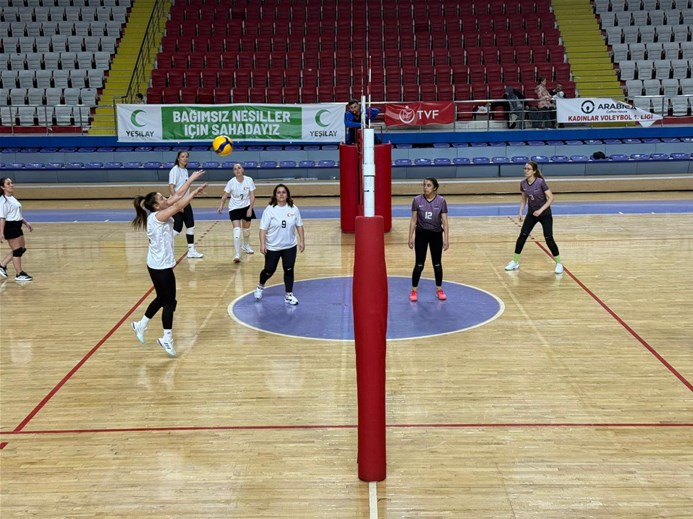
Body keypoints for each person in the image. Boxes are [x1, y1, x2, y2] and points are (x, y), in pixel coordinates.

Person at [130, 170, 207, 356]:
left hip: (157, 265)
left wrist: (192, 179)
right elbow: (179, 203)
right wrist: (193, 193)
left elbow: (177, 195)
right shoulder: (158, 217)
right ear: (157, 206)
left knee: (161, 298)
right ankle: (167, 338)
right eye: (162, 198)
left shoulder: (160, 212)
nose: (166, 198)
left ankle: (141, 324)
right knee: (170, 303)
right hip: (160, 267)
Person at [504, 161, 563, 274]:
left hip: (545, 214)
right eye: (525, 168)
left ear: (534, 171)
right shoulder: (523, 183)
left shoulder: (540, 182)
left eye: (528, 169)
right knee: (522, 236)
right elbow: (523, 199)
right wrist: (520, 212)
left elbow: (551, 198)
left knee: (549, 238)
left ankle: (559, 264)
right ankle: (515, 262)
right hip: (532, 214)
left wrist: (540, 210)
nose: (526, 171)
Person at [254, 184, 305, 305]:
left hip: (289, 246)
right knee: (269, 270)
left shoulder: (293, 209)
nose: (281, 194)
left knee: (289, 269)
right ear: (275, 195)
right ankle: (260, 286)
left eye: (283, 192)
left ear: (287, 195)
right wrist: (262, 244)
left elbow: (299, 226)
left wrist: (302, 241)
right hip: (273, 247)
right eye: (279, 192)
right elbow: (263, 229)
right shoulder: (269, 210)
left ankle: (289, 295)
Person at [408, 177, 449, 302]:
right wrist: (410, 237)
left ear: (435, 188)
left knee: (437, 264)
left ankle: (439, 289)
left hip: (436, 235)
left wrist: (446, 239)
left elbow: (445, 221)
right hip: (421, 235)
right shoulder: (417, 200)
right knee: (419, 264)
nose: (425, 187)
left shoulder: (441, 201)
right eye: (424, 185)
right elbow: (413, 220)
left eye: (429, 185)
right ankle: (414, 290)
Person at [217, 163, 256, 263]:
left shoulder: (249, 180)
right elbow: (225, 195)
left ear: (243, 170)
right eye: (235, 169)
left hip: (246, 206)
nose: (237, 170)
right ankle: (237, 254)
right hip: (234, 208)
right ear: (233, 172)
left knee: (246, 230)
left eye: (239, 168)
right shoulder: (231, 182)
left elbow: (252, 195)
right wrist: (221, 205)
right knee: (237, 231)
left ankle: (245, 245)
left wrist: (250, 208)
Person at [168, 150, 204, 258]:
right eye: (182, 156)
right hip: (177, 202)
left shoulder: (185, 170)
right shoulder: (175, 170)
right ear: (178, 158)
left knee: (190, 225)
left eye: (186, 156)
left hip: (186, 201)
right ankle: (164, 244)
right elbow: (171, 187)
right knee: (177, 228)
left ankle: (191, 251)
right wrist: (177, 203)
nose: (185, 158)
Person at [0, 177, 33, 282]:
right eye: (8, 183)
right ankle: (19, 274)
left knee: (21, 248)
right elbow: (2, 218)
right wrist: (1, 233)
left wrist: (26, 223)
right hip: (10, 226)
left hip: (17, 225)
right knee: (17, 251)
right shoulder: (3, 201)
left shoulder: (12, 197)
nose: (11, 185)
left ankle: (2, 265)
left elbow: (17, 214)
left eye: (11, 183)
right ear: (2, 187)